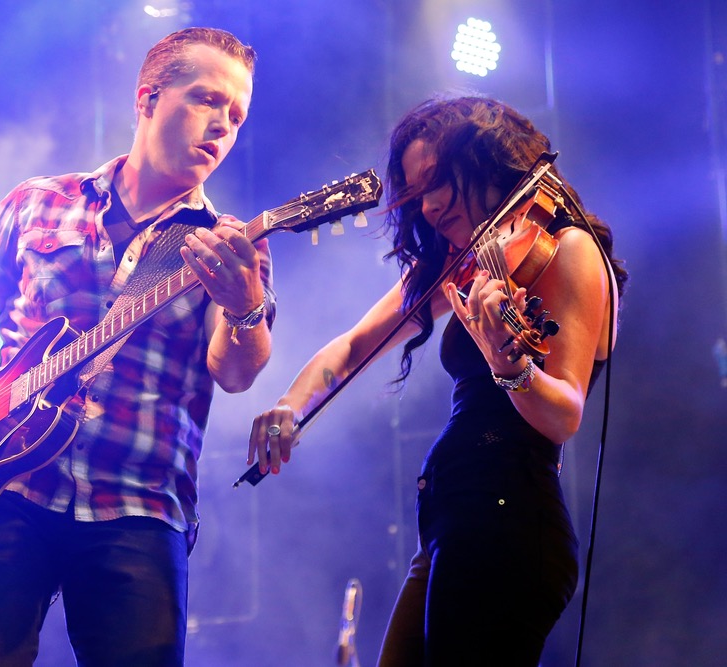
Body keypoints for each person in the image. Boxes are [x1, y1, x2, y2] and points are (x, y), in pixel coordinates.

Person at [0, 27, 274, 666]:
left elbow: (235, 373)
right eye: (208, 100)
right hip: (1, 488)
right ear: (148, 98)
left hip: (140, 504)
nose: (223, 126)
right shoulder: (38, 203)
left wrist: (245, 307)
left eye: (236, 115)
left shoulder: (230, 243)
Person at [248, 96, 628, 665]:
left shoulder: (567, 251)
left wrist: (510, 364)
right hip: (456, 523)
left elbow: (563, 413)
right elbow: (356, 343)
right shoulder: (470, 261)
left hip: (509, 523)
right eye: (416, 192)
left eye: (438, 183)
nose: (427, 206)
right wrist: (290, 405)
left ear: (488, 165)